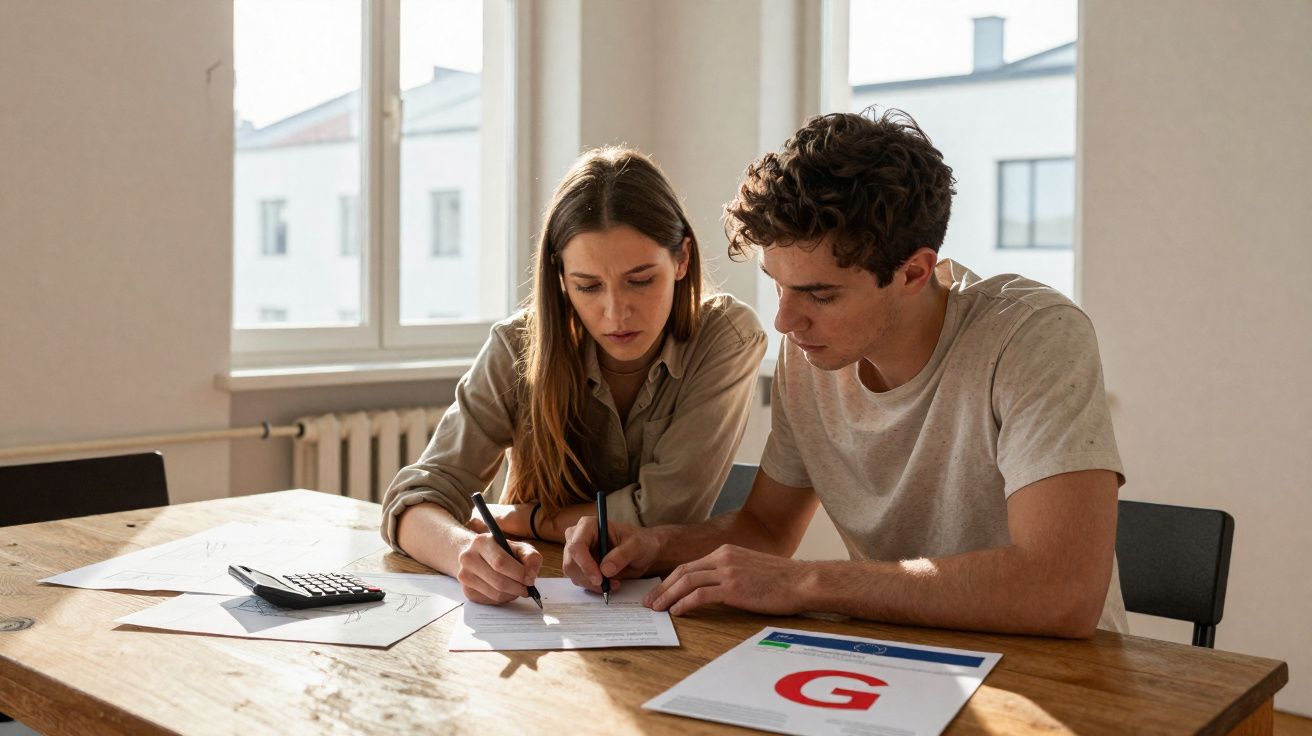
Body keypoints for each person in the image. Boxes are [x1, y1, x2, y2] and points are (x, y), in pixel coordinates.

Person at [563, 110, 1127, 638]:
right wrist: (653, 544)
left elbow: (1063, 591)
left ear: (913, 271)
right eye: (779, 286)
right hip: (899, 662)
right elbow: (766, 528)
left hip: (1061, 678)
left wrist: (809, 582)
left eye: (820, 294)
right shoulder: (811, 354)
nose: (785, 320)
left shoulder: (1031, 336)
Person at [381, 147, 767, 606]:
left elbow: (659, 514)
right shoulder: (518, 344)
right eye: (587, 286)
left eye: (641, 280)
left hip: (667, 603)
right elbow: (412, 499)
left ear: (682, 259)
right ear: (561, 278)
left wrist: (529, 519)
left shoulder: (727, 337)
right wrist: (465, 550)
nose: (615, 312)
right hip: (532, 599)